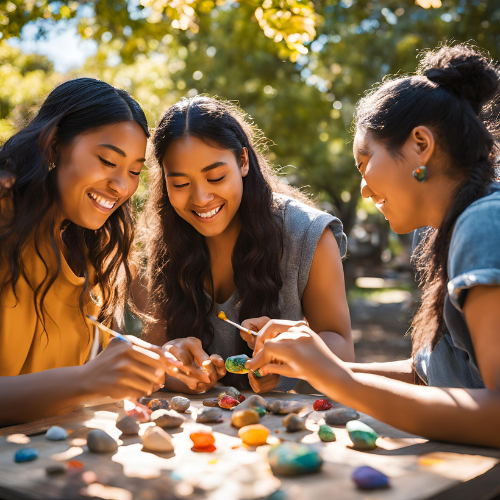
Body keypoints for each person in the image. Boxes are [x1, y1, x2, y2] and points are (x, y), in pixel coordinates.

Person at [246, 44, 500, 448]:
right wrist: (314, 365)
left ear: (421, 144)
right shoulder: (451, 229)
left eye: (365, 163)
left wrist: (339, 378)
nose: (364, 188)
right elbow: (430, 376)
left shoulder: (483, 223)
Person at [0, 78, 200, 426]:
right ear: (54, 144)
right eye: (107, 161)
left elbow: (61, 389)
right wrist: (87, 379)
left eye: (135, 171)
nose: (122, 186)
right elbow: (76, 383)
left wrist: (157, 365)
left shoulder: (91, 246)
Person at [136, 96, 353, 393]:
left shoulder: (309, 235)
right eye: (181, 184)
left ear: (243, 161)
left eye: (215, 177)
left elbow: (343, 350)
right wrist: (175, 367)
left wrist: (291, 357)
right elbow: (156, 357)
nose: (200, 198)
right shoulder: (162, 241)